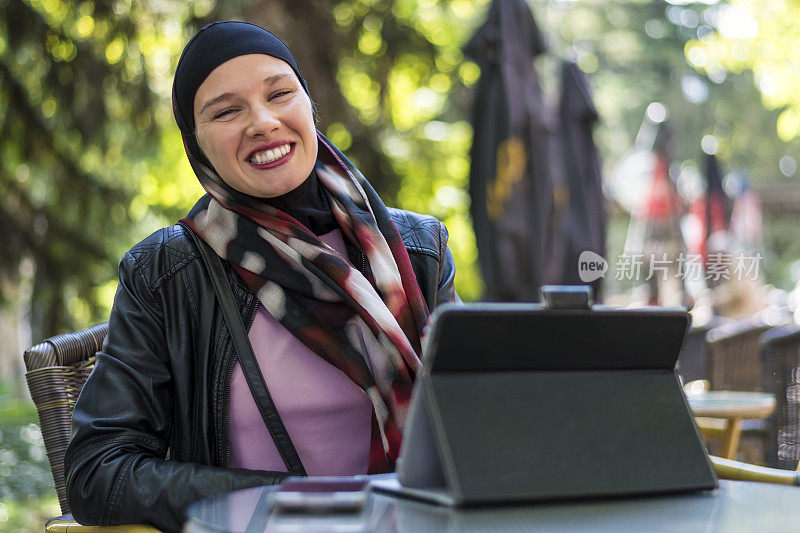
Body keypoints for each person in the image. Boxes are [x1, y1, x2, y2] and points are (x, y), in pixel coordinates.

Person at [65, 21, 458, 532]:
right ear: (196, 142)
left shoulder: (418, 250)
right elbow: (98, 473)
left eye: (280, 94)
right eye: (227, 111)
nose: (264, 121)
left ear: (308, 105)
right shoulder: (166, 274)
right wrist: (292, 503)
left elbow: (474, 419)